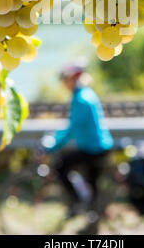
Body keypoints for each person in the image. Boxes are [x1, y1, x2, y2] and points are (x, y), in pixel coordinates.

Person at [42, 62, 113, 215]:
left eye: (64, 80)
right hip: (96, 146)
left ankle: (77, 203)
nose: (63, 84)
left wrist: (51, 146)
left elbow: (72, 129)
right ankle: (92, 218)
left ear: (72, 80)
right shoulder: (85, 94)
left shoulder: (81, 99)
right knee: (92, 186)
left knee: (61, 166)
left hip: (93, 148)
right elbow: (72, 126)